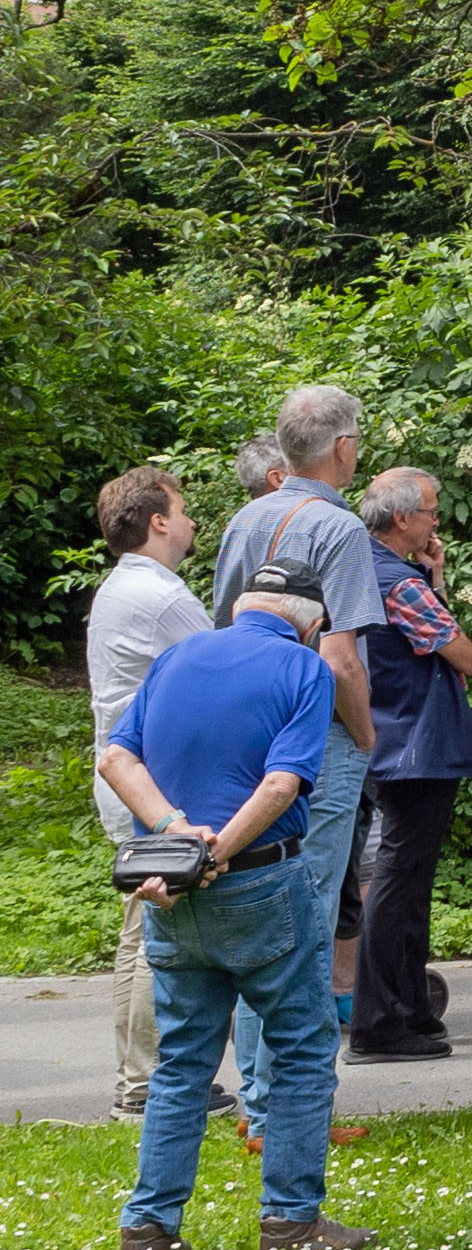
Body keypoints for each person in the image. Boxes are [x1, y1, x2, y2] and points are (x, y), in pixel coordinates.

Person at [102, 558, 369, 1250]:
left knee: (183, 1061)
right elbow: (283, 782)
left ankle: (148, 1231)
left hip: (172, 893)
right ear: (312, 623)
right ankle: (290, 1222)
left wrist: (175, 835)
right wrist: (216, 850)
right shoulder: (304, 669)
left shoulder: (179, 655)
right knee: (303, 1051)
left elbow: (115, 759)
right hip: (260, 886)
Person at [205, 386, 385, 1055]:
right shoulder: (339, 529)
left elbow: (228, 628)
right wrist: (365, 736)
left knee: (265, 906)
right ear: (342, 448)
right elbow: (341, 660)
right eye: (357, 440)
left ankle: (258, 1093)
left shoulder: (244, 521)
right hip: (316, 737)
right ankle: (289, 1094)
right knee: (306, 914)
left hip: (248, 729)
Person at [86, 464, 216, 1123]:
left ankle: (136, 1079)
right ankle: (142, 1087)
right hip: (149, 784)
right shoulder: (162, 597)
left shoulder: (121, 587)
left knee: (139, 932)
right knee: (151, 932)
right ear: (158, 520)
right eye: (183, 508)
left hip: (127, 777)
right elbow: (221, 668)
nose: (191, 520)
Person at [346, 468, 472, 1061]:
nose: (436, 522)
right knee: (400, 883)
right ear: (402, 519)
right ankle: (378, 1022)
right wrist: (431, 586)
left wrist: (435, 576)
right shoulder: (398, 585)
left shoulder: (376, 572)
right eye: (430, 512)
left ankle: (411, 1008)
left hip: (392, 741)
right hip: (414, 748)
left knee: (407, 880)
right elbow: (466, 656)